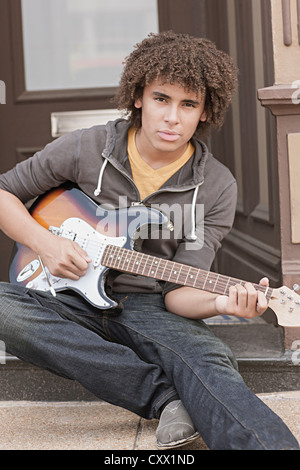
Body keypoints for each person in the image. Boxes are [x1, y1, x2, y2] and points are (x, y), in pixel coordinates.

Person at [0, 31, 298, 450]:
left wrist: (220, 302)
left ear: (205, 112)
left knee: (211, 361)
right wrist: (44, 244)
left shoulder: (215, 186)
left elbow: (179, 292)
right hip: (63, 296)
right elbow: (3, 193)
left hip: (150, 305)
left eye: (188, 104)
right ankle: (164, 397)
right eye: (162, 99)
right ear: (139, 97)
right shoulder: (87, 147)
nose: (172, 118)